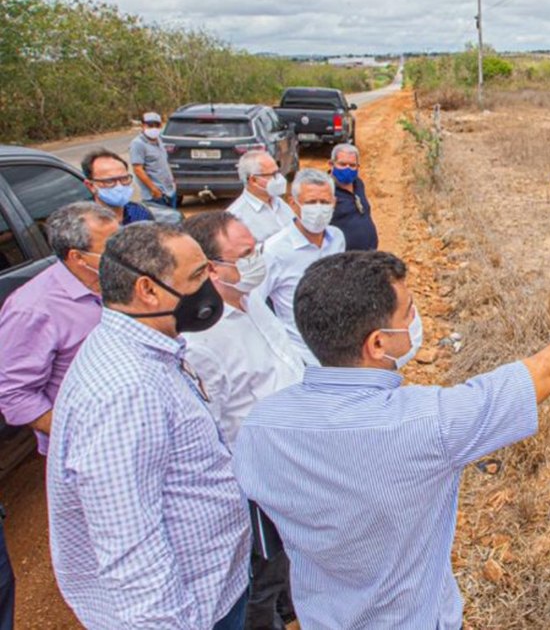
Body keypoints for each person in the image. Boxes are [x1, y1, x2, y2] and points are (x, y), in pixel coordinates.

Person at [233, 251, 550, 628]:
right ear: (377, 343)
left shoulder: (259, 429)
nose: (415, 320)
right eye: (408, 312)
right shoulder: (431, 423)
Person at [48, 222, 250, 629]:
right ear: (148, 290)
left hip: (212, 586)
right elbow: (130, 547)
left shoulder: (145, 352)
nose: (211, 282)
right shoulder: (123, 391)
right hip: (191, 611)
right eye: (197, 275)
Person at [182, 212, 302, 630]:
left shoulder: (250, 300)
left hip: (292, 463)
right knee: (260, 577)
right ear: (210, 267)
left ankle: (288, 613)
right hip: (256, 480)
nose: (257, 260)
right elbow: (213, 429)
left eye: (257, 250)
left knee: (286, 560)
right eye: (245, 254)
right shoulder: (202, 341)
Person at [0, 203, 118, 454]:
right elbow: (14, 394)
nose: (123, 254)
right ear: (76, 257)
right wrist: (81, 435)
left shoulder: (113, 282)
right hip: (89, 448)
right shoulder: (32, 309)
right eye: (111, 248)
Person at [256, 169, 345, 365]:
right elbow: (254, 304)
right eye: (311, 203)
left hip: (338, 352)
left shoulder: (336, 238)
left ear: (334, 203)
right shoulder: (275, 251)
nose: (319, 209)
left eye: (325, 202)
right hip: (300, 357)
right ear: (294, 205)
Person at [226, 150, 296, 244]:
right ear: (254, 180)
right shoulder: (236, 218)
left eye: (278, 172)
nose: (279, 179)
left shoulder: (280, 203)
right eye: (273, 174)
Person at [80, 149, 154, 225]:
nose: (119, 186)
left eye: (124, 179)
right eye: (109, 181)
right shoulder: (81, 222)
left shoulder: (140, 213)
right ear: (90, 185)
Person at [328, 144, 378, 251]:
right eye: (342, 164)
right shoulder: (326, 191)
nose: (347, 168)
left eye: (352, 165)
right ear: (331, 164)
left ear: (358, 167)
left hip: (368, 256)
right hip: (344, 260)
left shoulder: (358, 184)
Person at [129, 111, 176, 208]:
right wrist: (154, 190)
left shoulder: (159, 140)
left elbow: (164, 161)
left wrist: (172, 180)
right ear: (143, 126)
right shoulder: (138, 144)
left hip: (169, 191)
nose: (153, 128)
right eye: (150, 125)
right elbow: (138, 169)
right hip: (155, 195)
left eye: (157, 125)